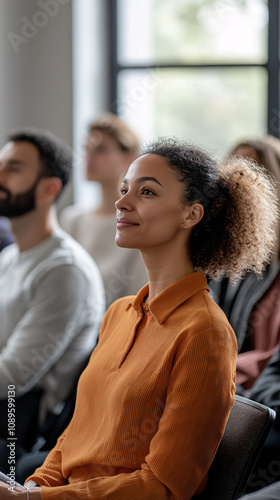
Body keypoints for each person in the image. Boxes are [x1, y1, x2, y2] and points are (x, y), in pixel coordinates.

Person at [0, 137, 277, 499]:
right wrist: (35, 487)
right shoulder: (118, 314)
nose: (121, 202)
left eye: (146, 192)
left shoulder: (205, 332)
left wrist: (33, 498)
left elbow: (164, 486)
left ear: (191, 214)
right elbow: (73, 437)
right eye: (124, 189)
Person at [0, 129, 105, 468]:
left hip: (16, 429)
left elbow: (13, 377)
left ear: (49, 189)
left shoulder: (64, 270)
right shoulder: (11, 257)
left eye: (13, 168)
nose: (0, 175)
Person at [209, 134, 280, 393]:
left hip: (253, 399)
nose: (236, 185)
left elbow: (271, 360)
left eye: (250, 173)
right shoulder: (215, 262)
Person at [60, 112, 147, 308]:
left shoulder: (139, 221)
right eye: (86, 149)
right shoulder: (72, 219)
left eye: (101, 150)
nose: (89, 158)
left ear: (128, 157)